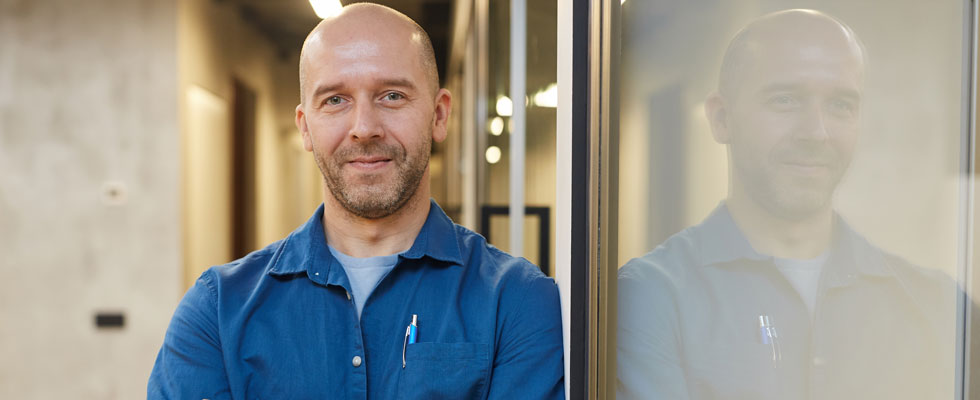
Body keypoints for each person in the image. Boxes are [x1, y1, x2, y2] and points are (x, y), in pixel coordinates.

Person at [148, 4, 564, 399]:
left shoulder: (518, 302)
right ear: (306, 128)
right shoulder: (217, 312)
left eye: (392, 96)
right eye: (335, 100)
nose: (364, 128)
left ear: (439, 115)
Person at [617, 9, 953, 400]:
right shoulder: (651, 298)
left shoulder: (937, 306)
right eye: (786, 99)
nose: (816, 132)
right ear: (722, 118)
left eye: (841, 105)